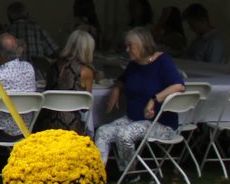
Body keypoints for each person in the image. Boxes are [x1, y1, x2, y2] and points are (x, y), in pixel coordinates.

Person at [95, 27, 186, 175]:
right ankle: (97, 174)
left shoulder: (162, 61)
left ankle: (129, 173)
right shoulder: (133, 65)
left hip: (160, 122)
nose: (127, 49)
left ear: (142, 45)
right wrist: (116, 89)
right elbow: (122, 80)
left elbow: (178, 86)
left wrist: (154, 99)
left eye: (130, 45)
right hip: (133, 118)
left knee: (125, 134)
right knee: (103, 131)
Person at [41, 29, 97, 132]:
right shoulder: (86, 72)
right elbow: (85, 107)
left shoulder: (53, 65)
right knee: (91, 133)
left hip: (45, 124)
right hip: (71, 126)